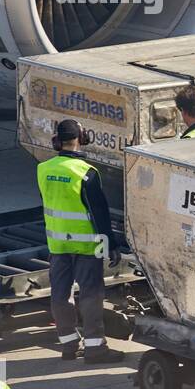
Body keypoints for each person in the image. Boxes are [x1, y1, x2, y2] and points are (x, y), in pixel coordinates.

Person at [37, 119, 125, 364]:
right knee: (90, 295)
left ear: (57, 140)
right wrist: (112, 244)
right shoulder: (87, 173)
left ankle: (68, 345)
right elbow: (100, 213)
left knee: (60, 295)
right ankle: (95, 348)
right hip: (88, 244)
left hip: (57, 243)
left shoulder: (43, 169)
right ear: (81, 139)